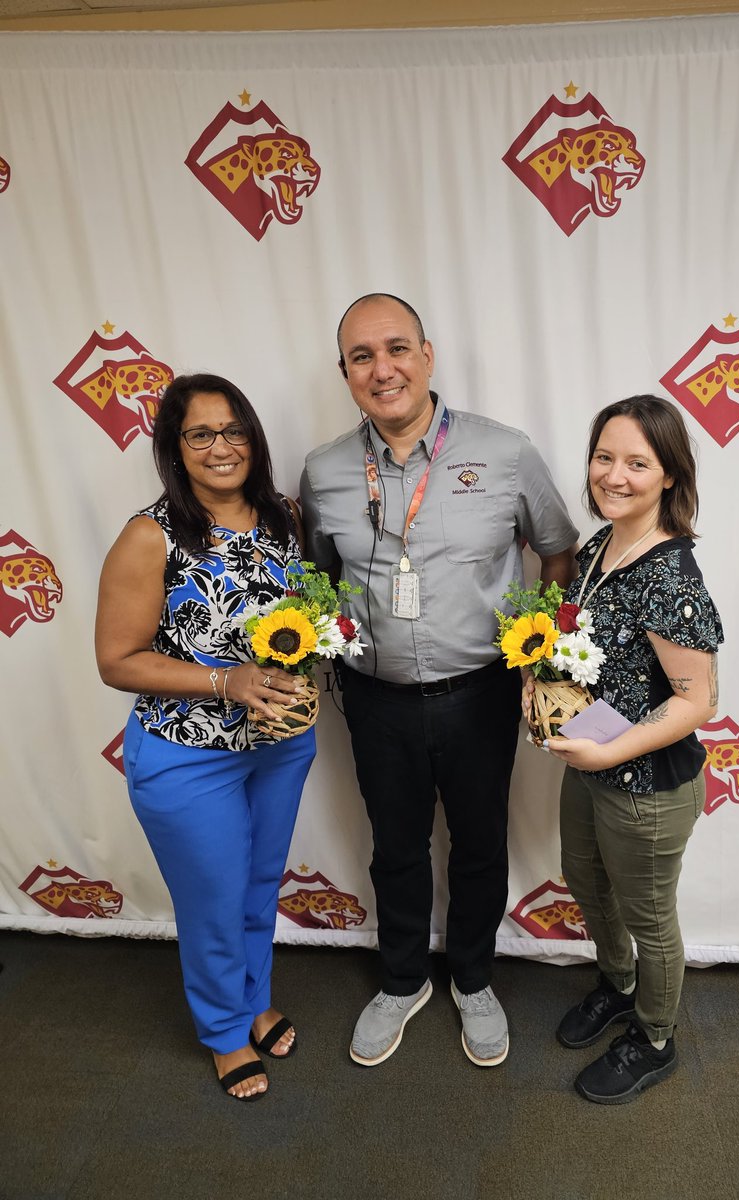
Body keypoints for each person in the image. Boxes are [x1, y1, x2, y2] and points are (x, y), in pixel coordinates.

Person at [300, 293, 578, 1068]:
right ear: (346, 372)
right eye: (362, 356)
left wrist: (542, 653)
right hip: (375, 698)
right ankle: (400, 980)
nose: (381, 369)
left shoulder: (505, 452)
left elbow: (556, 551)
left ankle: (474, 978)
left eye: (396, 349)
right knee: (395, 846)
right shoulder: (324, 471)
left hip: (480, 694)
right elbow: (319, 579)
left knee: (481, 844)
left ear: (427, 355)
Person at [95, 373, 316, 1102]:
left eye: (235, 431)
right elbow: (116, 660)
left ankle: (253, 1001)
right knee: (214, 899)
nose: (222, 448)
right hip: (186, 754)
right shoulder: (149, 535)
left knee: (258, 884)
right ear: (174, 446)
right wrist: (227, 682)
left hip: (279, 742)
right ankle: (224, 1031)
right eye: (201, 434)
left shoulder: (284, 514)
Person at [537, 394, 723, 1104]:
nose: (614, 475)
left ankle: (654, 1037)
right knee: (584, 881)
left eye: (636, 463)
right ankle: (615, 986)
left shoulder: (671, 576)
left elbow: (697, 701)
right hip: (591, 763)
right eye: (604, 457)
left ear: (669, 475)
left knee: (649, 916)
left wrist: (609, 755)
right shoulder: (598, 545)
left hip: (646, 785)